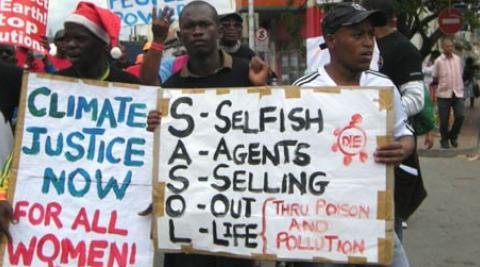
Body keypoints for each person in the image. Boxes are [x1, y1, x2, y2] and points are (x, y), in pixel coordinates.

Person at [0, 0, 140, 239]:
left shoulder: (131, 89)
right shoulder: (49, 88)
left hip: (112, 210)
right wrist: (2, 194)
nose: (70, 45)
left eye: (80, 39)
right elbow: (25, 145)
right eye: (67, 39)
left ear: (103, 45)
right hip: (60, 209)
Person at [143, 1, 268, 266]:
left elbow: (274, 136)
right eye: (190, 26)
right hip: (188, 225)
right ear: (180, 36)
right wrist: (156, 126)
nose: (197, 31)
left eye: (205, 25)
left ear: (219, 31)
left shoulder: (248, 73)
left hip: (236, 222)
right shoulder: (171, 91)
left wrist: (262, 93)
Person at [292, 2, 414, 267]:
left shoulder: (383, 87)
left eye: (370, 34)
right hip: (319, 225)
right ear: (331, 40)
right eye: (357, 35)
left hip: (375, 219)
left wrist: (402, 148)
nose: (368, 43)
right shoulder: (303, 91)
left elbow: (405, 134)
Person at [361, 0, 429, 240]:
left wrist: (380, 112)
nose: (366, 44)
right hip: (356, 152)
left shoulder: (404, 49)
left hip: (390, 148)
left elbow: (416, 99)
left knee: (389, 230)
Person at [432, 37, 465, 149]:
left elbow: (460, 73)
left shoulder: (457, 59)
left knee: (460, 116)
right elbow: (435, 77)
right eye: (447, 46)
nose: (450, 48)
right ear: (442, 47)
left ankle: (453, 136)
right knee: (444, 120)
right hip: (443, 94)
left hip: (457, 92)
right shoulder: (438, 61)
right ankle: (444, 140)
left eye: (451, 46)